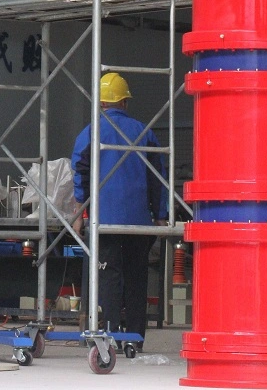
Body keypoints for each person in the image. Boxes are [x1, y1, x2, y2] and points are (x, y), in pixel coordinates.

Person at [70, 72, 167, 348]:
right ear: (124, 102)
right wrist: (160, 216)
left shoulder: (90, 133)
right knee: (137, 278)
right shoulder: (144, 132)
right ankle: (134, 340)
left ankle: (109, 338)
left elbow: (80, 173)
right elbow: (159, 178)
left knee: (108, 278)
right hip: (139, 223)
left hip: (104, 222)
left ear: (100, 103)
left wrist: (79, 212)